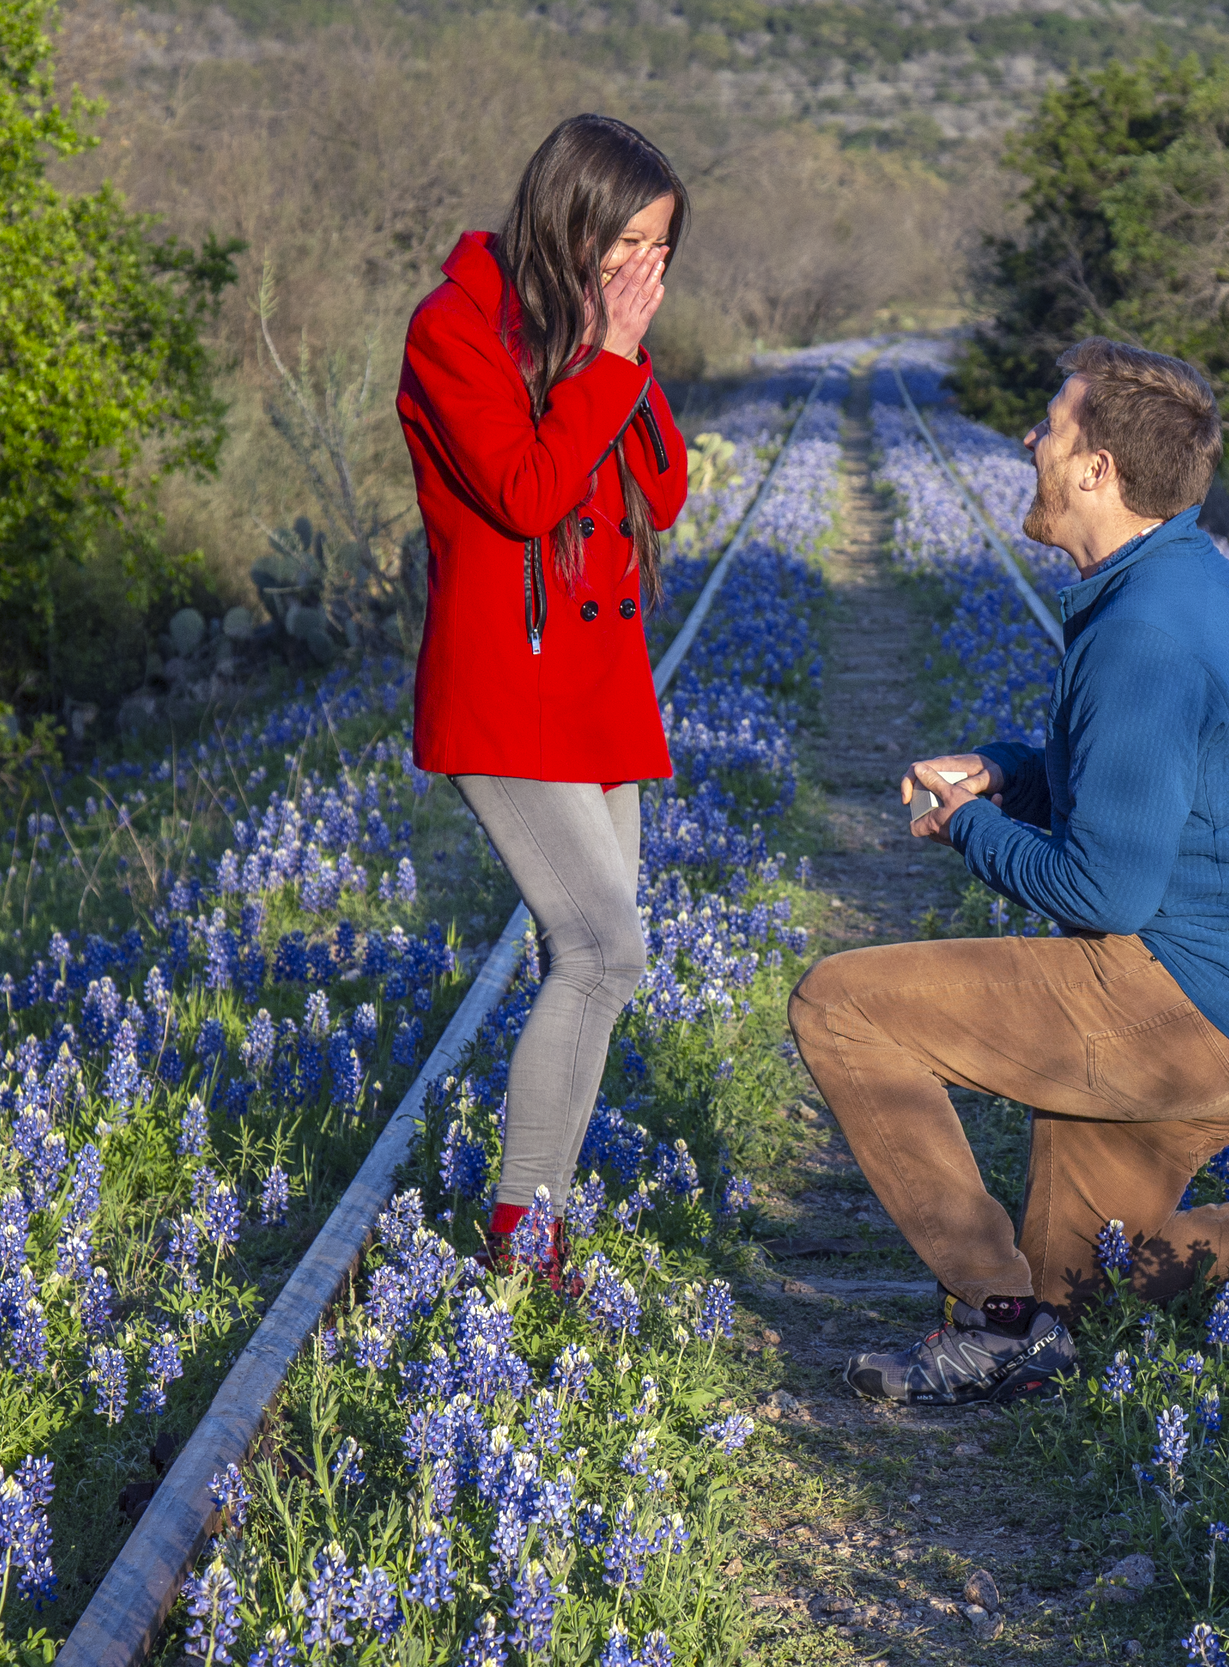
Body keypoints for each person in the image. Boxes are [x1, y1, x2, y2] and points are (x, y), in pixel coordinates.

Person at [787, 338, 1229, 1406]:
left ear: (1097, 468)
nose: (1028, 440)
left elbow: (1104, 891)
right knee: (1083, 1285)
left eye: (1049, 426)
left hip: (1174, 1006)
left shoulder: (1144, 629)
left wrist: (967, 825)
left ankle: (990, 1315)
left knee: (842, 1004)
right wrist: (1010, 771)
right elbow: (1130, 778)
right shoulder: (1171, 578)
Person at [397, 114, 692, 1287]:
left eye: (661, 251)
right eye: (627, 240)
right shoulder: (453, 328)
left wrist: (623, 352)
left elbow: (659, 493)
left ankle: (541, 1225)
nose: (641, 269)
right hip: (506, 687)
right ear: (568, 217)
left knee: (604, 964)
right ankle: (522, 1233)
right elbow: (524, 494)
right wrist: (607, 359)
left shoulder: (593, 338)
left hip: (597, 691)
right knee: (602, 946)